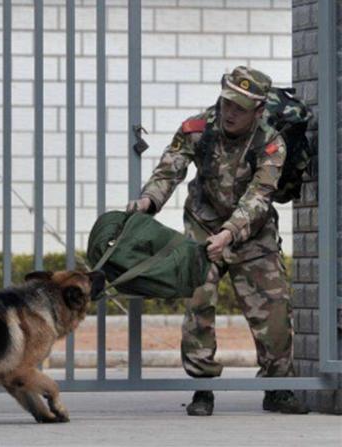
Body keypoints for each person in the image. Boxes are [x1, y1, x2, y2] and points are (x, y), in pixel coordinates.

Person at [128, 66, 309, 416]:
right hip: (203, 225)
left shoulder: (271, 142)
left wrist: (230, 233)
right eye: (227, 103)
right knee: (199, 301)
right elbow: (169, 170)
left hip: (251, 232)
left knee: (274, 305)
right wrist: (148, 201)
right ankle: (203, 387)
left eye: (240, 108)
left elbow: (259, 197)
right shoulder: (197, 128)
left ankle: (277, 386)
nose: (230, 113)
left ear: (258, 111)